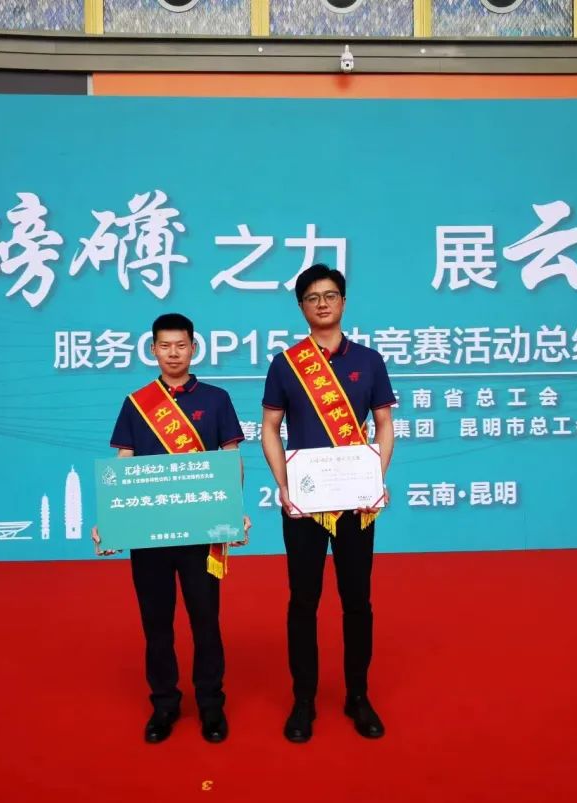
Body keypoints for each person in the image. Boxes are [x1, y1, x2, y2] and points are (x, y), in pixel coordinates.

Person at [92, 313, 249, 744]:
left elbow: (230, 459)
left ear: (194, 349)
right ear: (153, 350)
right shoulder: (137, 403)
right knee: (156, 622)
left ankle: (211, 705)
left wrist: (233, 511)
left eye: (181, 345)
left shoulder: (216, 399)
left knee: (205, 621)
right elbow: (123, 462)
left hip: (201, 532)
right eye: (165, 346)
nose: (173, 353)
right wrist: (108, 519)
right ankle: (164, 704)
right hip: (149, 533)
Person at [260, 264, 395, 743]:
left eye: (330, 295)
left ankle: (358, 696)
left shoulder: (370, 361)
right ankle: (303, 701)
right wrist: (284, 485)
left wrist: (374, 479)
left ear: (343, 301)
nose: (322, 303)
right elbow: (269, 428)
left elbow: (384, 424)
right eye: (312, 297)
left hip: (356, 503)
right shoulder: (286, 364)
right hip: (305, 502)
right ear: (301, 307)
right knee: (303, 601)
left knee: (357, 600)